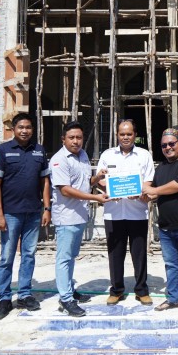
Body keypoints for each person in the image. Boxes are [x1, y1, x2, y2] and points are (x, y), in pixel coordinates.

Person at [0, 113, 51, 320]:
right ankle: (4, 298)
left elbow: (45, 182)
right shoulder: (2, 151)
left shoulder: (39, 151)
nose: (25, 131)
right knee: (7, 257)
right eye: (21, 127)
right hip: (10, 213)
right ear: (13, 129)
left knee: (29, 255)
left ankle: (24, 294)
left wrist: (47, 208)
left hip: (33, 212)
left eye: (28, 127)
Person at [50, 121, 109, 317]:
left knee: (71, 256)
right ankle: (65, 299)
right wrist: (95, 197)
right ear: (63, 139)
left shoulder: (82, 155)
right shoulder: (59, 160)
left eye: (79, 137)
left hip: (79, 215)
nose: (76, 141)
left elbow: (83, 183)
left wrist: (97, 177)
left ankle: (69, 290)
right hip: (66, 217)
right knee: (64, 259)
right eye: (71, 138)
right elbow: (65, 190)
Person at [141, 128, 178, 319]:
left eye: (171, 144)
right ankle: (173, 297)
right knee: (171, 265)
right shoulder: (160, 169)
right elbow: (153, 195)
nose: (168, 148)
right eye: (164, 145)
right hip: (166, 227)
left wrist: (154, 190)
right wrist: (142, 194)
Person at [93, 119, 154, 305]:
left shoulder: (144, 155)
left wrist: (139, 191)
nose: (125, 137)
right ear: (117, 135)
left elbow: (148, 181)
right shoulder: (107, 155)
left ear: (135, 135)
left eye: (129, 134)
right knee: (115, 253)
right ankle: (117, 290)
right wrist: (107, 187)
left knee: (139, 253)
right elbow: (99, 180)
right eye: (122, 134)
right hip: (114, 212)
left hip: (137, 212)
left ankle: (141, 290)